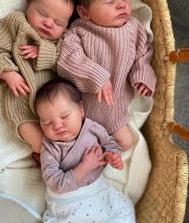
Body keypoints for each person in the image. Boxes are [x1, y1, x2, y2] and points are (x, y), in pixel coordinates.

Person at [57, 0, 157, 151]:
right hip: (80, 111)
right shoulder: (80, 31)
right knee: (69, 145)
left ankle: (100, 157)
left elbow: (143, 54)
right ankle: (80, 158)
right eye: (110, 2)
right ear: (84, 13)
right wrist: (97, 76)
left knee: (127, 143)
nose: (121, 5)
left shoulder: (134, 29)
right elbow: (68, 59)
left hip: (115, 113)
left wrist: (142, 76)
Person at [0, 0, 75, 157]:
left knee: (71, 140)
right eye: (43, 14)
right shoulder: (16, 23)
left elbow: (66, 62)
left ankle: (65, 162)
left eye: (58, 22)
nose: (49, 23)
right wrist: (9, 73)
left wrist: (43, 52)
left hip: (57, 108)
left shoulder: (63, 40)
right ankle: (44, 157)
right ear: (27, 6)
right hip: (21, 102)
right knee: (41, 145)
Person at [34, 78, 135, 222]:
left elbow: (110, 143)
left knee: (125, 208)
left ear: (81, 110)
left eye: (65, 116)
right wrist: (85, 166)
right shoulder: (51, 147)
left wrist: (114, 156)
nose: (58, 126)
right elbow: (55, 183)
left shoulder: (93, 129)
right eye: (47, 123)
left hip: (98, 188)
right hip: (69, 200)